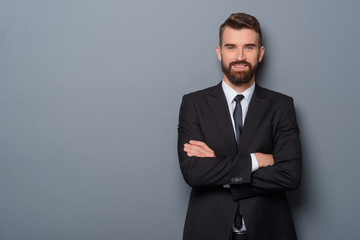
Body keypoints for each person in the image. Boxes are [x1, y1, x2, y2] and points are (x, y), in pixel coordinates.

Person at [177, 13, 302, 240]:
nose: (240, 56)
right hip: (207, 231)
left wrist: (217, 170)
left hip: (270, 230)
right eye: (232, 47)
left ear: (260, 53)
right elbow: (193, 173)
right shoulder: (193, 104)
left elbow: (290, 175)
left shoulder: (282, 105)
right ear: (219, 52)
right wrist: (258, 160)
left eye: (249, 47)